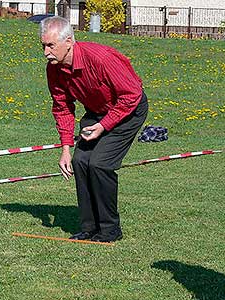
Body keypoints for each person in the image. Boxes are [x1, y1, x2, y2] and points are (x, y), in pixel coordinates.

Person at [40, 16, 148, 242]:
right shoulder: (54, 70)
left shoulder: (100, 58)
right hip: (97, 112)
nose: (46, 52)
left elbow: (132, 95)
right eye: (43, 46)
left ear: (68, 41)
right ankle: (89, 229)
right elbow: (62, 107)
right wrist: (66, 148)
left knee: (100, 164)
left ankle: (110, 230)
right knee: (80, 162)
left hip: (128, 109)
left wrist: (104, 125)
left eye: (51, 46)